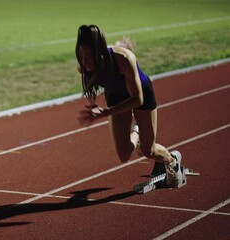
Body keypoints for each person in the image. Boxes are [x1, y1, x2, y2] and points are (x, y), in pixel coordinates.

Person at [75, 24, 184, 188]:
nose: (85, 62)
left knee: (149, 151)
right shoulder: (84, 65)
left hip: (140, 94)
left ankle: (172, 160)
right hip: (116, 95)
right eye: (82, 57)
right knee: (124, 154)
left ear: (100, 53)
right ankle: (137, 130)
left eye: (89, 57)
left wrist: (106, 112)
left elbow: (137, 100)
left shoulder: (124, 59)